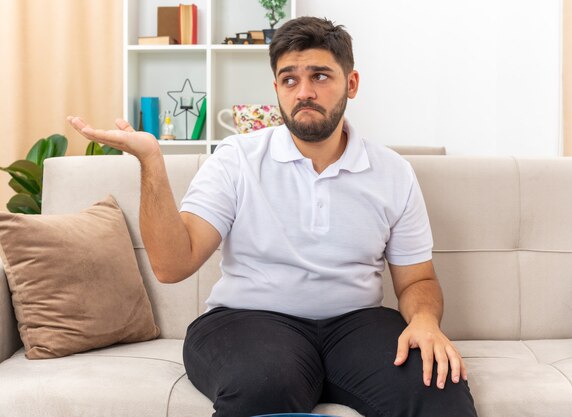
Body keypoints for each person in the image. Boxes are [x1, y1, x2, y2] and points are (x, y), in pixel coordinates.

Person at [68, 16, 477, 417]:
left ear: (350, 84)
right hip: (246, 322)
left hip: (357, 326)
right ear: (276, 88)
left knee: (439, 390)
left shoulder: (392, 172)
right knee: (265, 386)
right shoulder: (236, 159)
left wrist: (425, 321)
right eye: (289, 79)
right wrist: (151, 163)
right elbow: (173, 265)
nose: (304, 92)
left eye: (320, 76)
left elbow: (418, 279)